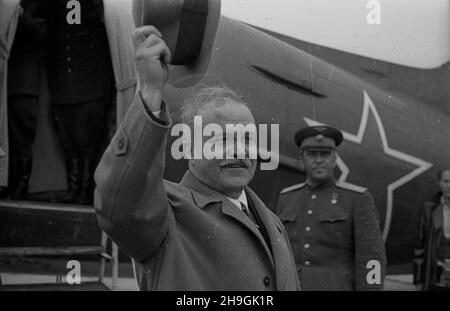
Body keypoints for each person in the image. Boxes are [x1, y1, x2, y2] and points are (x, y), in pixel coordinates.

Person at [94, 26, 300, 291]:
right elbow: (120, 203)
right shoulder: (167, 213)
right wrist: (150, 92)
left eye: (247, 139)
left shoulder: (270, 220)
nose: (238, 150)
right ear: (190, 150)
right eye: (222, 139)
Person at [276, 125, 386, 290]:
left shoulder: (358, 199)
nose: (319, 160)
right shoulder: (287, 197)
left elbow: (372, 258)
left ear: (335, 158)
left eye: (325, 154)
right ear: (302, 158)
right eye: (311, 154)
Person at [46, 0, 115, 204]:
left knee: (86, 145)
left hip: (90, 95)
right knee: (69, 143)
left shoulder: (94, 29)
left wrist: (104, 97)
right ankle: (74, 190)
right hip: (64, 95)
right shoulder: (58, 32)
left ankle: (84, 192)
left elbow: (103, 65)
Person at [0, 0, 48, 200]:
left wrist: (20, 15)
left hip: (24, 84)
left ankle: (21, 184)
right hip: (8, 82)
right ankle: (9, 183)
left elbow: (43, 32)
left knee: (21, 138)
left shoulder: (35, 5)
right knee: (8, 137)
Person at [413, 168, 450, 291]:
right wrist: (418, 280)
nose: (449, 185)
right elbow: (420, 246)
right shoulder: (429, 209)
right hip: (434, 277)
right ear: (439, 183)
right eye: (446, 181)